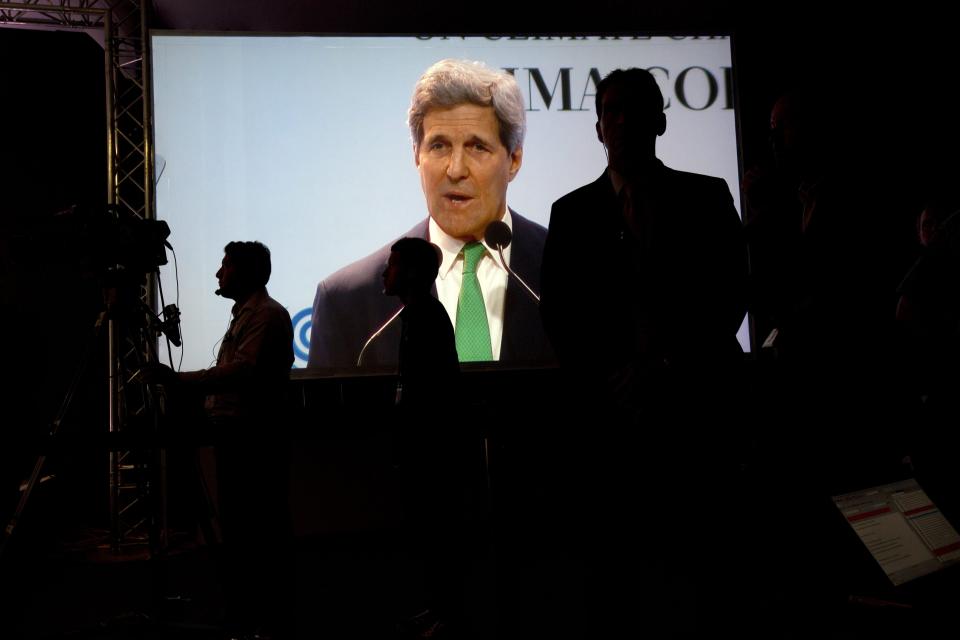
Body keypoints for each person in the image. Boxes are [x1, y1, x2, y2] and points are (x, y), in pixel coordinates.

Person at [308, 58, 553, 371]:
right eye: (439, 146)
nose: (455, 170)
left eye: (477, 147)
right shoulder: (347, 300)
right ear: (416, 156)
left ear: (514, 159)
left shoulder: (573, 271)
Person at [148, 241, 294, 640]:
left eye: (225, 266)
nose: (218, 274)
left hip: (253, 437)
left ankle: (264, 615)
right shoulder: (249, 315)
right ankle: (252, 611)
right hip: (239, 435)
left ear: (245, 273)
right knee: (243, 527)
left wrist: (180, 381)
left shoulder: (265, 315)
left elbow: (242, 372)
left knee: (255, 529)